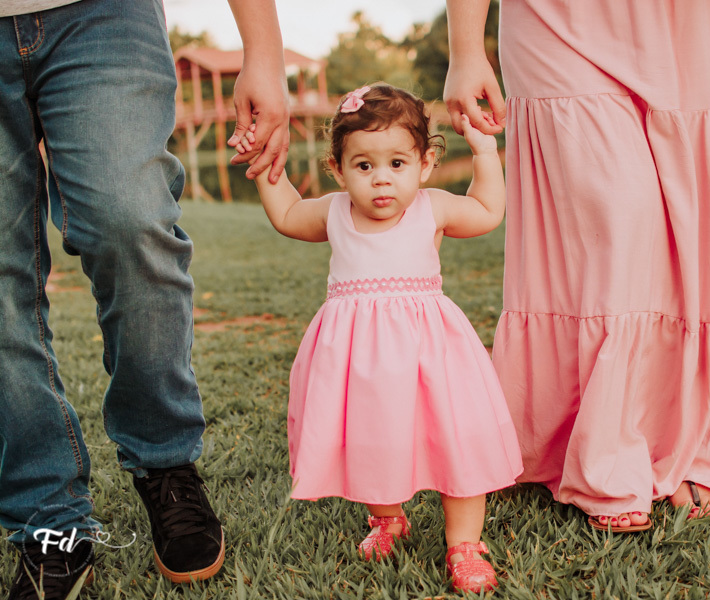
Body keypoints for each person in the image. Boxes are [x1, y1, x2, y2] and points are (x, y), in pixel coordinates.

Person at [444, 0, 710, 532]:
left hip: (708, 19)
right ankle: (608, 451)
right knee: (616, 208)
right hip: (557, 16)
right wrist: (464, 47)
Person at [0, 0, 289, 598]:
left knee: (130, 221)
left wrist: (262, 50)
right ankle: (45, 513)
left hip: (103, 17)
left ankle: (165, 462)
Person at [247, 84, 522, 593]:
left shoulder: (432, 208)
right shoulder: (333, 213)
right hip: (360, 363)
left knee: (455, 441)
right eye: (364, 166)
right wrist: (268, 170)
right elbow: (287, 215)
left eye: (397, 163)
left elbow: (486, 210)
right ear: (338, 168)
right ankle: (387, 517)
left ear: (425, 163)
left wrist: (485, 151)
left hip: (431, 354)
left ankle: (464, 542)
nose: (381, 181)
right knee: (371, 440)